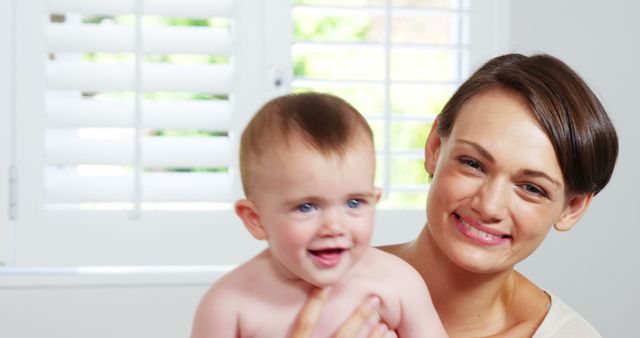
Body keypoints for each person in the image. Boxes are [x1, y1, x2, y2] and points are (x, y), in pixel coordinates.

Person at [289, 53, 619, 338]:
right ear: (434, 147)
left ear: (572, 208)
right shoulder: (296, 292)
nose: (488, 205)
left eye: (531, 188)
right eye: (473, 164)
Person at [190, 93, 448, 337]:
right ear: (255, 219)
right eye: (306, 207)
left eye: (354, 202)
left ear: (374, 201)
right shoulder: (229, 305)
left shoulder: (398, 283)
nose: (334, 226)